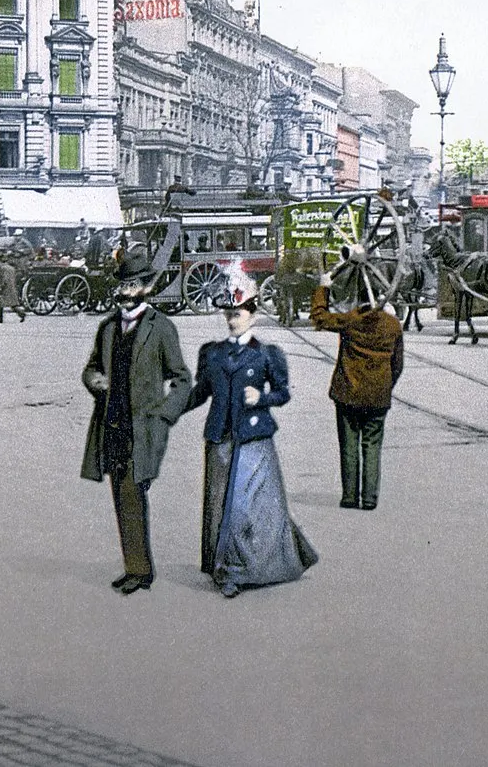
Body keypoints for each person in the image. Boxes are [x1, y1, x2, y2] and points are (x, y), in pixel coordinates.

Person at [182, 273, 318, 597]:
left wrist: (262, 398)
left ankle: (235, 572)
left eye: (238, 313)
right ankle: (226, 565)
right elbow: (200, 392)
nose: (232, 320)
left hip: (255, 441)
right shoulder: (211, 353)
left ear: (253, 314)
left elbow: (283, 393)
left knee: (243, 507)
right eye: (227, 313)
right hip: (219, 438)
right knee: (220, 503)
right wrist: (165, 410)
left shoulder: (268, 354)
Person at [80, 248, 190, 594]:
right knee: (123, 496)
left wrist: (164, 415)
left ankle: (140, 570)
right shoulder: (108, 327)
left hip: (142, 428)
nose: (126, 292)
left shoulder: (161, 328)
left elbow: (182, 379)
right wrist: (94, 380)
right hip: (111, 424)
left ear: (145, 288)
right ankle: (137, 568)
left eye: (133, 285)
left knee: (132, 493)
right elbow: (92, 367)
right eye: (123, 286)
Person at [310, 250, 406, 511]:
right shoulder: (392, 325)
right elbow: (398, 365)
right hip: (378, 396)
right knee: (372, 445)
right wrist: (385, 385)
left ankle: (349, 496)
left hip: (348, 393)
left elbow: (319, 317)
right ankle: (370, 498)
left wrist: (323, 288)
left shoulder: (351, 321)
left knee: (349, 444)